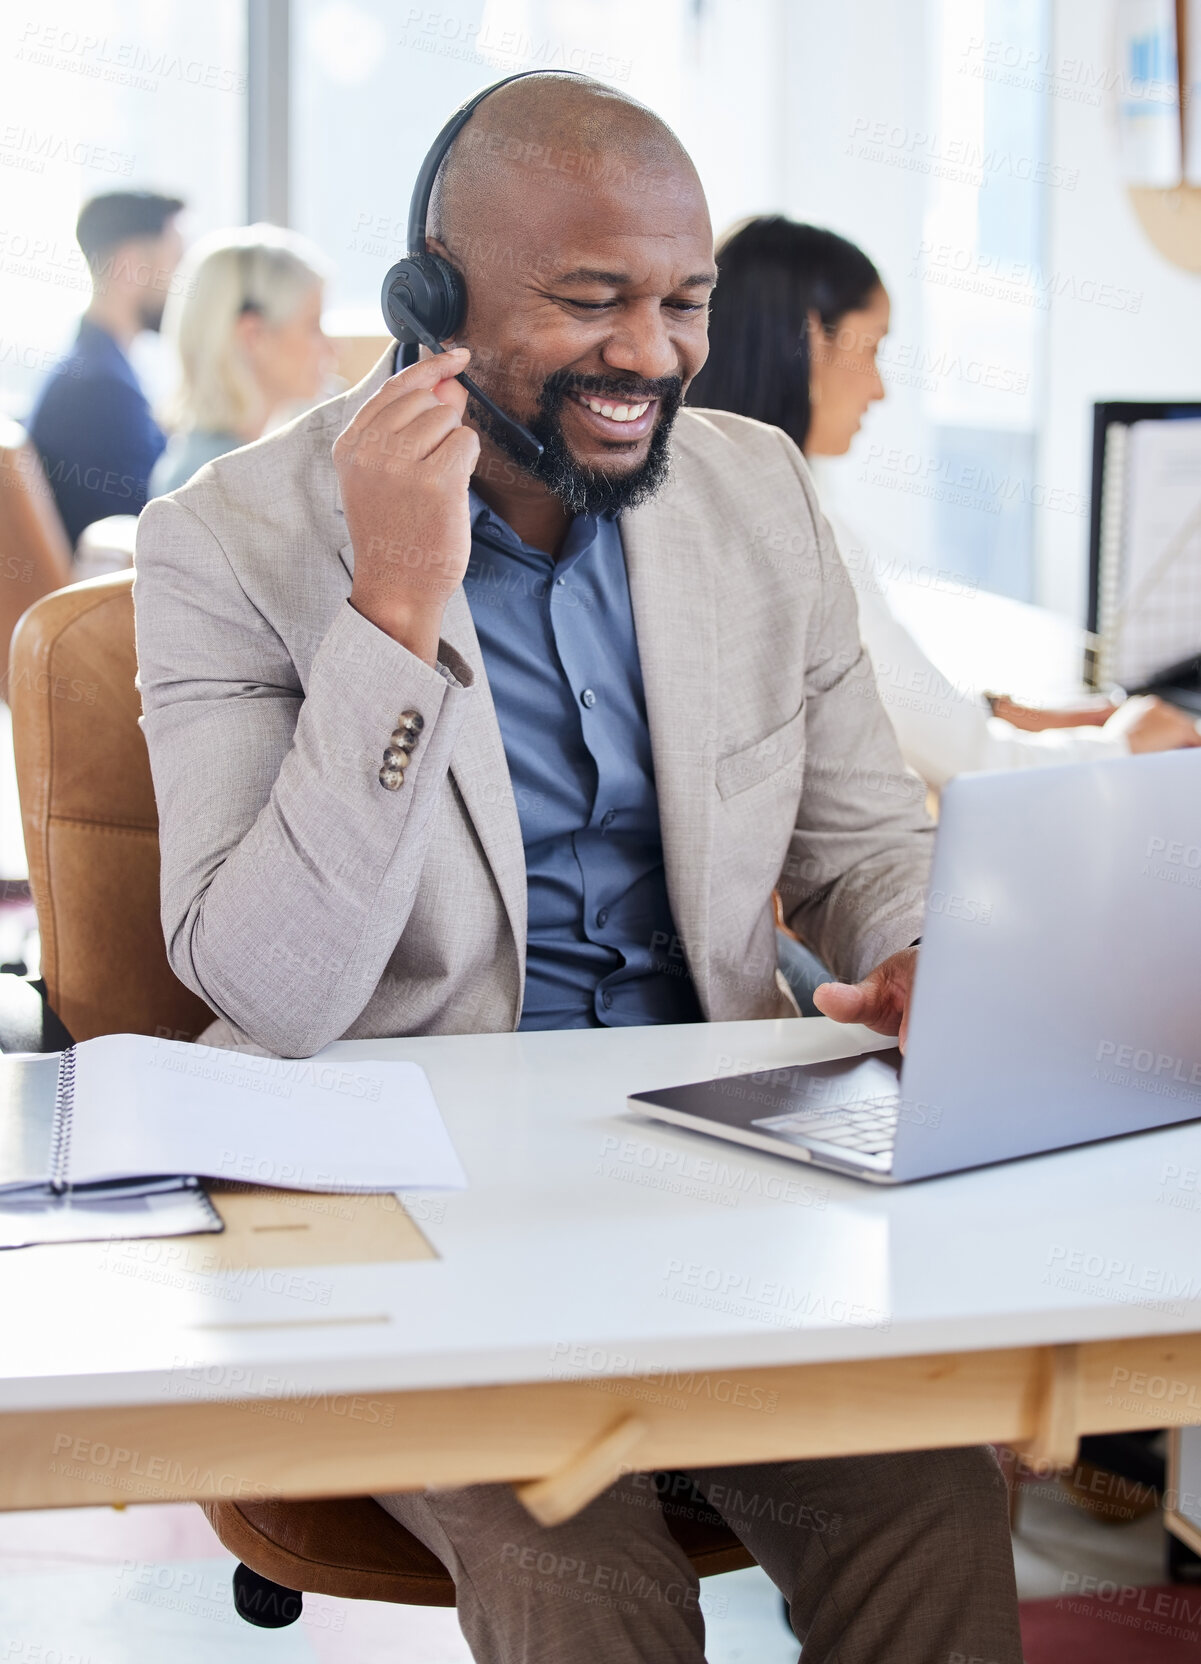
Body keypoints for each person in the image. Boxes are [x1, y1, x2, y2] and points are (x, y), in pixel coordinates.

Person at [134, 74, 1023, 1664]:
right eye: (592, 302)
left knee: (933, 1499)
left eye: (684, 303)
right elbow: (267, 992)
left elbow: (865, 849)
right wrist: (396, 611)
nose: (653, 355)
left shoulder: (759, 497)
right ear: (432, 294)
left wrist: (914, 948)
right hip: (409, 1198)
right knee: (587, 1573)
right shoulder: (230, 540)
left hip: (729, 1172)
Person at [687, 216, 1201, 787]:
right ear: (811, 337)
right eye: (873, 346)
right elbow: (970, 768)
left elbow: (887, 704)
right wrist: (1124, 745)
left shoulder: (698, 495)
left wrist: (1034, 719)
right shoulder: (801, 531)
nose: (880, 389)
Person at [28, 190, 184, 546]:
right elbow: (156, 528)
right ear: (131, 267)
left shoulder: (96, 369)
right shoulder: (99, 389)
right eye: (176, 261)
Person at [150, 225, 335, 496]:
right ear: (254, 337)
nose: (334, 348)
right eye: (313, 326)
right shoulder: (220, 483)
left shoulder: (215, 462)